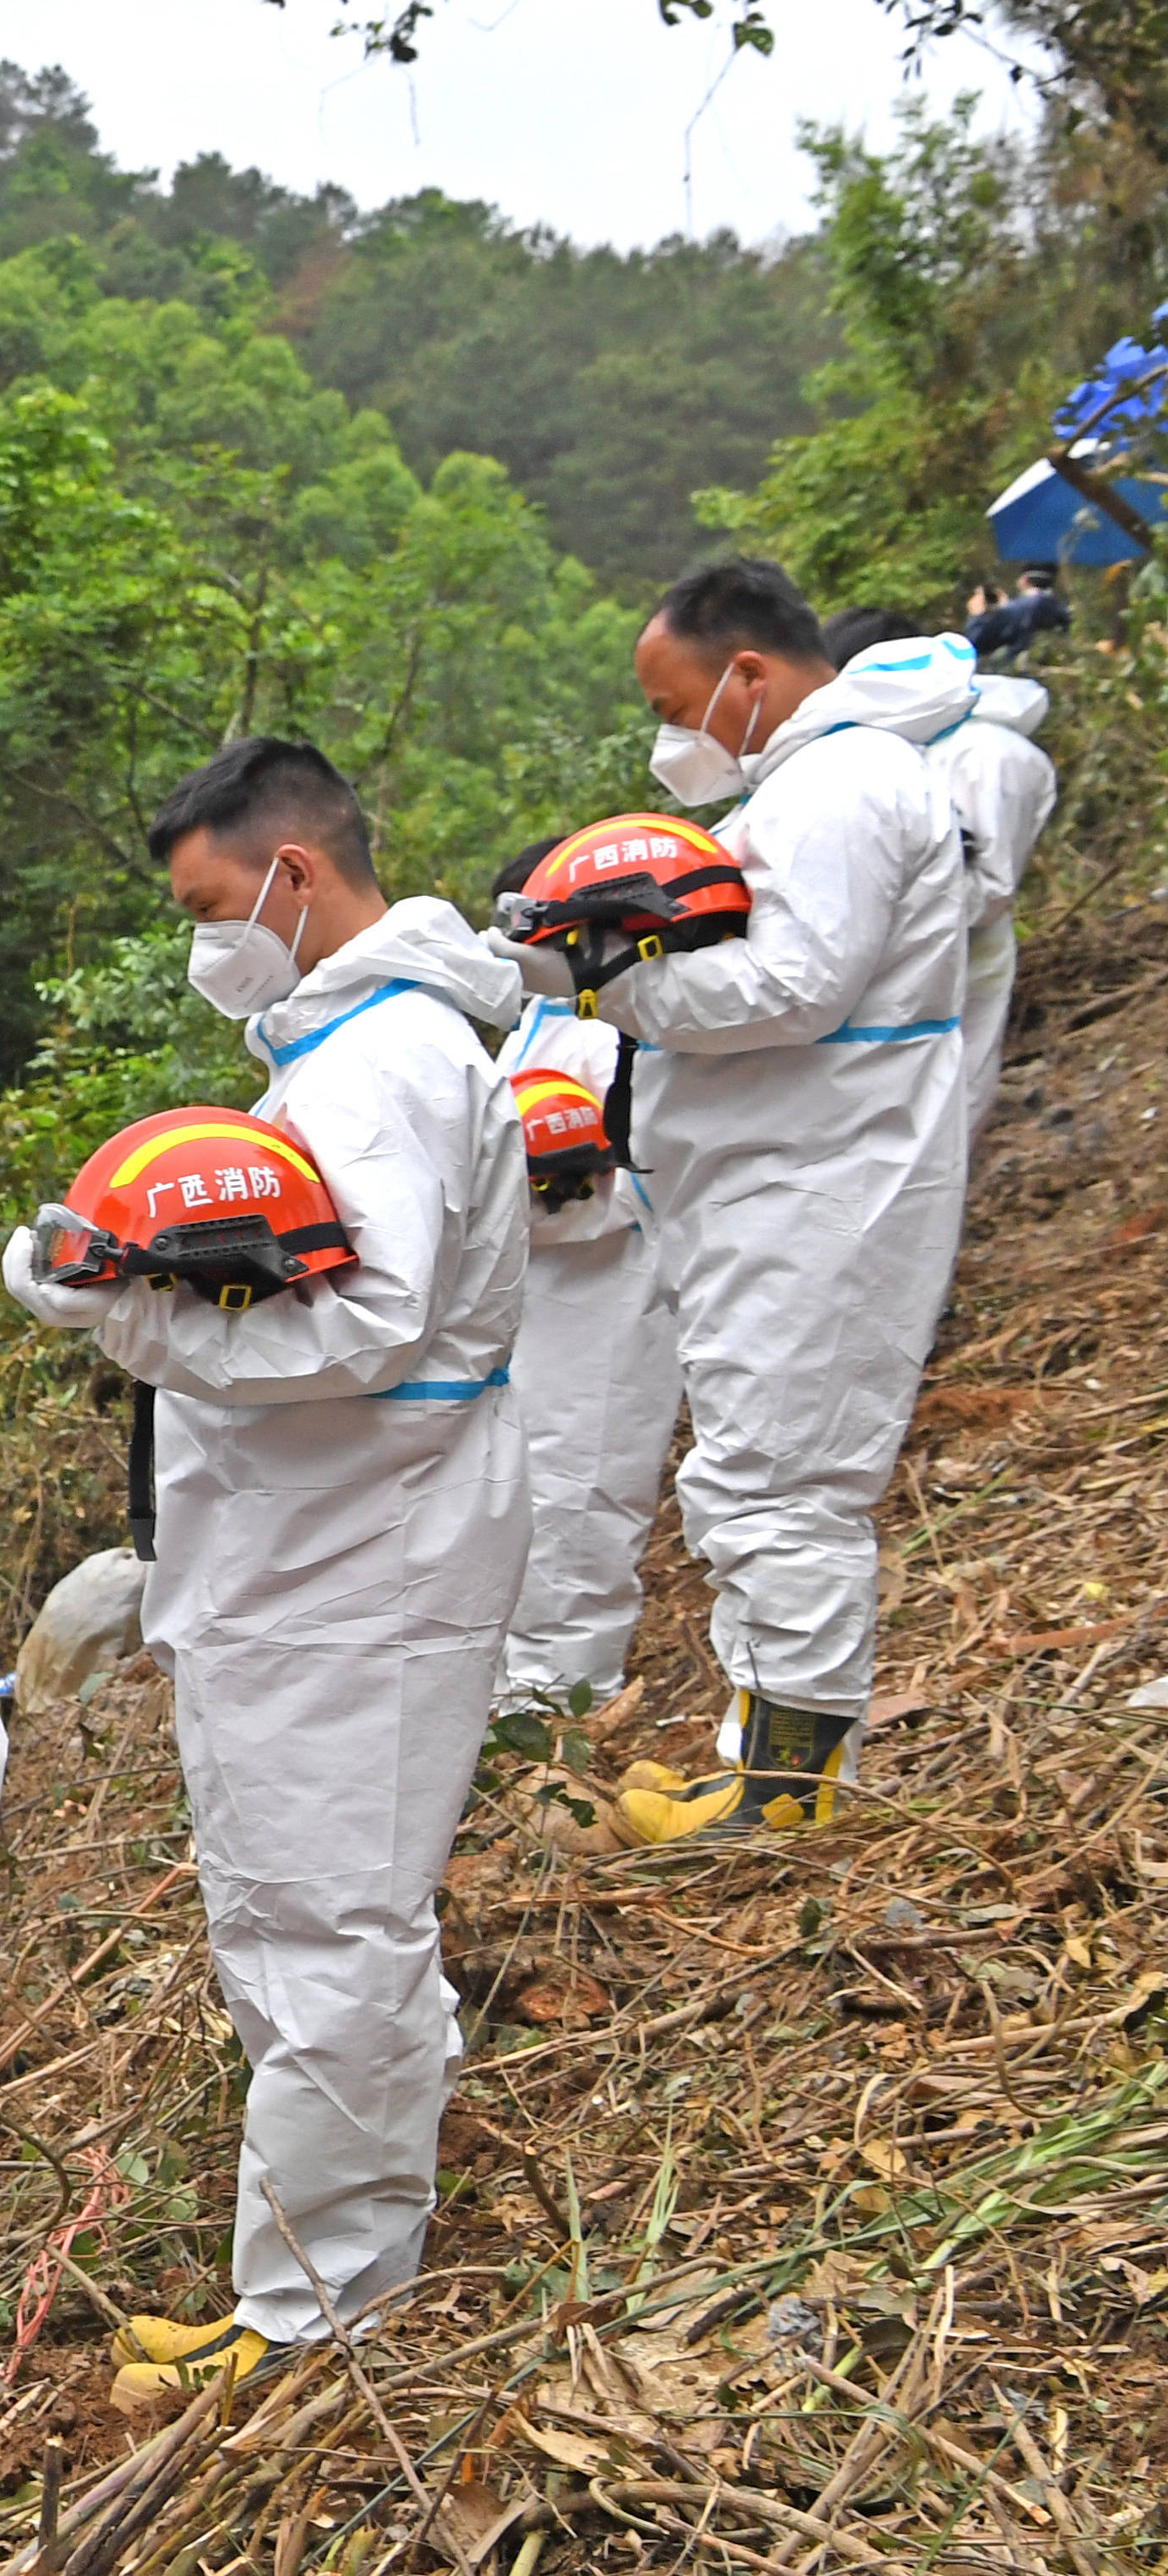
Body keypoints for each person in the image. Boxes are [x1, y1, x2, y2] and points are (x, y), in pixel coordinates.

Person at [2, 736, 527, 2400]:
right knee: (321, 1915)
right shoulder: (345, 1047)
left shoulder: (382, 1061)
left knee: (328, 1926)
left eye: (211, 905)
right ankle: (337, 2238)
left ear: (292, 874)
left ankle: (320, 2315)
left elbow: (366, 1315)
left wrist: (125, 1311)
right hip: (325, 1549)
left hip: (357, 1560)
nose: (205, 942)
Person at [583, 558, 974, 1841]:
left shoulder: (845, 784)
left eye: (679, 702)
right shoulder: (811, 784)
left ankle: (792, 1797)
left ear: (747, 672)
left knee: (781, 1486)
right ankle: (766, 1760)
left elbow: (790, 987)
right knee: (752, 1475)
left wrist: (612, 985)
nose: (672, 737)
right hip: (783, 1178)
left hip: (821, 1180)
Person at [490, 840, 675, 1712]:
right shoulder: (535, 1018)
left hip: (608, 1296)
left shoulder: (621, 1022)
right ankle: (515, 1701)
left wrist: (560, 1177)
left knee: (582, 1498)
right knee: (523, 1500)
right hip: (530, 1304)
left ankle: (570, 1700)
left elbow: (649, 1169)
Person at [825, 606, 1057, 1175]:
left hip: (963, 959)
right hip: (901, 957)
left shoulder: (987, 756)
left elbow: (989, 890)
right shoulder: (902, 745)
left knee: (948, 1100)